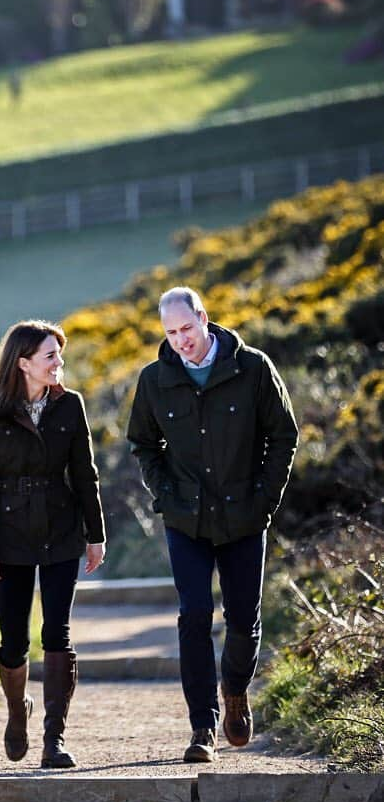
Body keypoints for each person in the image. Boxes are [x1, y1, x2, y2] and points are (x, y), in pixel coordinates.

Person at [126, 287, 298, 763]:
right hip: (186, 521)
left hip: (245, 516)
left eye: (186, 328)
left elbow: (284, 436)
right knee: (194, 616)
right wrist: (165, 494)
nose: (180, 341)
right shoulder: (154, 380)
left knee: (244, 618)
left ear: (204, 318)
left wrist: (265, 499)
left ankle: (236, 692)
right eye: (170, 333)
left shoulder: (254, 368)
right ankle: (202, 727)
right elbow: (142, 443)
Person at [0, 320, 106, 768]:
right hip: (9, 538)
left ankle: (54, 739)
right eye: (50, 356)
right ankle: (15, 711)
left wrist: (95, 534)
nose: (59, 363)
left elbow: (85, 474)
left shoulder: (71, 406)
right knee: (13, 642)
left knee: (57, 634)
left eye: (59, 355)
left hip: (62, 531)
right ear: (23, 363)